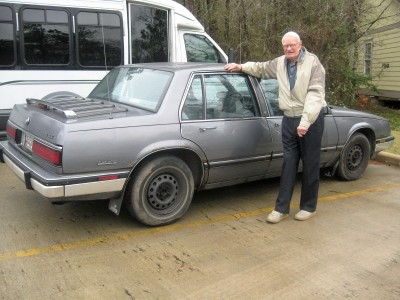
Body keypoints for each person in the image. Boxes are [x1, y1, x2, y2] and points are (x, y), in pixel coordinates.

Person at [224, 31, 327, 223]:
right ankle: (281, 209)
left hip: (310, 119)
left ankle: (308, 206)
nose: (288, 49)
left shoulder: (313, 63)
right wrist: (240, 66)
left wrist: (305, 122)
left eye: (292, 45)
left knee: (311, 163)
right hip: (288, 119)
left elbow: (316, 94)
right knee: (288, 163)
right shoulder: (281, 62)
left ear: (300, 45)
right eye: (285, 46)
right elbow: (261, 68)